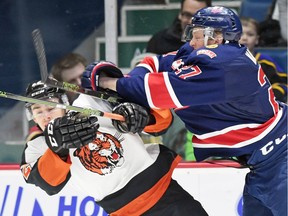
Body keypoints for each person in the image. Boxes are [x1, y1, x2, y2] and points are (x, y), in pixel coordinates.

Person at [93, 6, 287, 215]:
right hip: (265, 164)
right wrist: (127, 82)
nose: (190, 42)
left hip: (280, 159)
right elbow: (154, 62)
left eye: (196, 35)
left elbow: (159, 90)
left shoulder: (227, 64)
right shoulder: (200, 54)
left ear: (217, 37)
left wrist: (108, 82)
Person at [20, 80, 208, 216]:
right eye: (38, 111)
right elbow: (47, 184)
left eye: (50, 107)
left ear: (64, 102)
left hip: (166, 193)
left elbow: (158, 119)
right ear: (32, 116)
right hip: (124, 211)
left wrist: (139, 114)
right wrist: (58, 148)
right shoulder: (37, 147)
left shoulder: (89, 103)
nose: (46, 115)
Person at [239, 17, 287, 103]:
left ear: (257, 40)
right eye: (240, 34)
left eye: (250, 34)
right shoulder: (224, 60)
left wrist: (270, 97)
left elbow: (282, 83)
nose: (245, 38)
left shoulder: (265, 62)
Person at [146, 0, 211, 54]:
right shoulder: (159, 41)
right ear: (180, 15)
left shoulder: (218, 42)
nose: (191, 21)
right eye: (187, 15)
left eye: (198, 17)